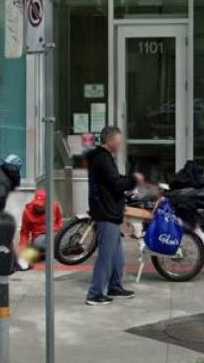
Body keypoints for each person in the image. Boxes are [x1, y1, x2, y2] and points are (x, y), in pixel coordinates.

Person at [85, 126, 145, 306]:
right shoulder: (102, 159)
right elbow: (117, 184)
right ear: (110, 140)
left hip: (110, 211)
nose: (120, 144)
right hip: (106, 213)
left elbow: (114, 181)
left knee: (118, 255)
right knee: (106, 255)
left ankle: (115, 286)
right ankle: (94, 294)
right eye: (119, 140)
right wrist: (134, 179)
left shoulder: (103, 158)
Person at [17, 189, 63, 264]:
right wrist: (22, 248)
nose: (38, 207)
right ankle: (58, 249)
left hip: (55, 232)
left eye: (41, 206)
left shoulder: (55, 205)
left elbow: (60, 220)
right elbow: (24, 232)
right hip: (40, 236)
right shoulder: (27, 212)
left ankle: (55, 249)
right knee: (38, 243)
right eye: (37, 205)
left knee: (69, 235)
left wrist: (58, 230)